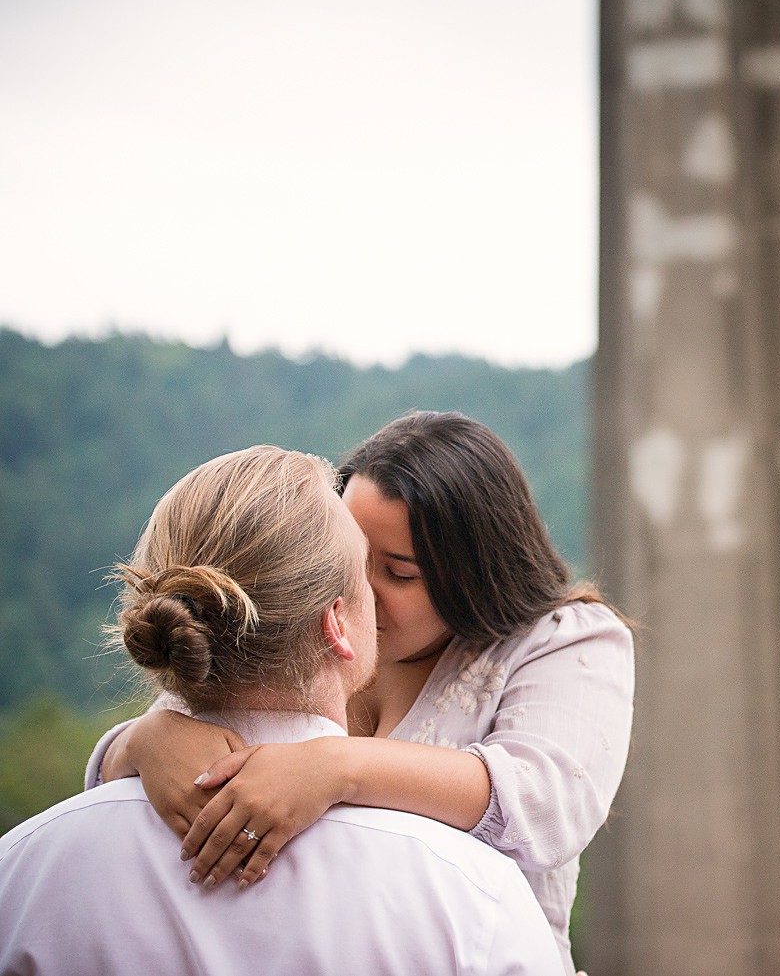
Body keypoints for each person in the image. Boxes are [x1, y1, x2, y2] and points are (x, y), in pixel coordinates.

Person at [88, 411, 634, 973]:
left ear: (477, 573)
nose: (360, 594)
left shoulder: (561, 642)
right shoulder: (315, 625)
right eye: (349, 559)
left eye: (398, 573)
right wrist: (143, 742)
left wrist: (336, 766)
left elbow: (544, 805)